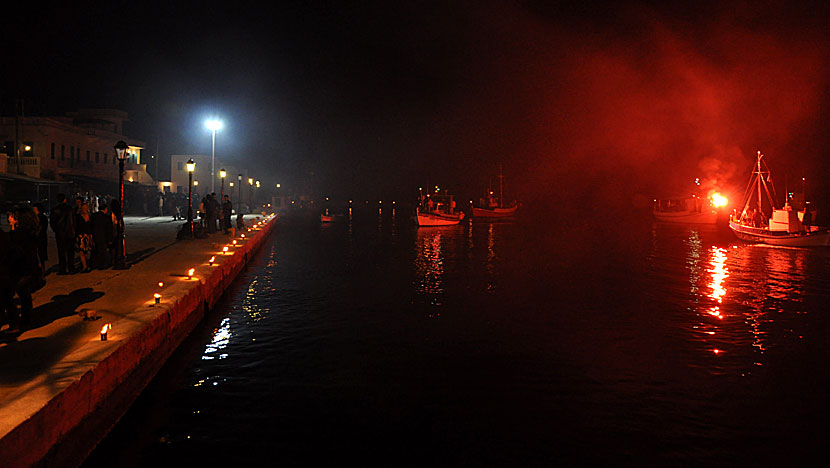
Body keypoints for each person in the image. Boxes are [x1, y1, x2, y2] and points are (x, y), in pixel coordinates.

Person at [8, 206, 42, 332]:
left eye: (12, 216)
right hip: (30, 265)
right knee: (24, 294)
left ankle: (20, 321)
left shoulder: (20, 234)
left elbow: (14, 249)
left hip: (21, 266)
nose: (10, 218)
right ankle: (26, 318)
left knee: (14, 294)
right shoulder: (31, 231)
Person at [50, 193, 76, 274]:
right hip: (70, 233)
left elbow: (52, 223)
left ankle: (63, 269)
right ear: (65, 199)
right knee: (70, 252)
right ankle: (71, 268)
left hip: (60, 234)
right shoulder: (70, 209)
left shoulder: (55, 210)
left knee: (61, 252)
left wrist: (57, 230)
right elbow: (74, 221)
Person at [91, 203, 113, 269]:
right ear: (105, 209)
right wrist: (110, 239)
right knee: (102, 251)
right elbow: (109, 229)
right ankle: (102, 265)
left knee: (96, 251)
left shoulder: (94, 216)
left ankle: (96, 264)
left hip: (95, 236)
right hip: (104, 237)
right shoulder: (106, 217)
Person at [75, 203, 94, 272]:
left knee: (84, 251)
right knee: (83, 251)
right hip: (83, 235)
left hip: (86, 235)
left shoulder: (88, 216)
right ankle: (85, 265)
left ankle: (85, 266)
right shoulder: (80, 217)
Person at [32, 203, 49, 274]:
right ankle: (41, 269)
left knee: (40, 255)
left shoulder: (39, 218)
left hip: (40, 238)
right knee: (40, 255)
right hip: (42, 237)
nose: (33, 210)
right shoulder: (41, 217)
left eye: (35, 209)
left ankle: (41, 270)